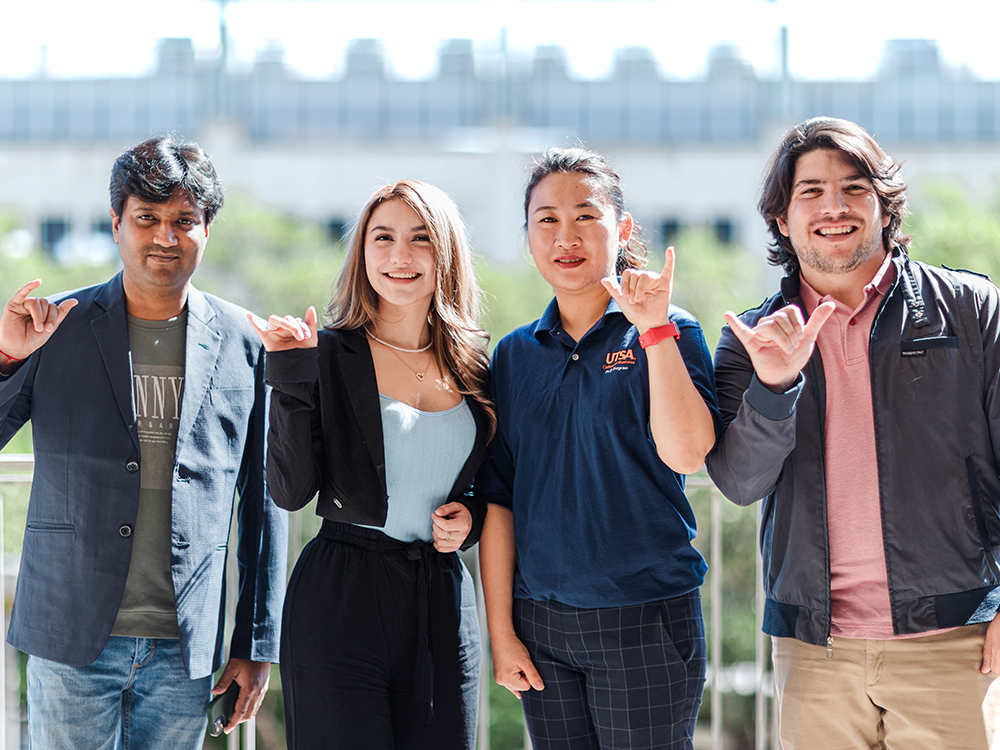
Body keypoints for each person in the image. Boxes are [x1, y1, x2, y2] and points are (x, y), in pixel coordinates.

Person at [706, 116, 1000, 749]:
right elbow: (737, 481)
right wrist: (775, 386)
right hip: (815, 651)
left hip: (953, 641)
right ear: (782, 219)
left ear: (884, 206)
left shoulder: (972, 309)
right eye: (809, 190)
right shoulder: (752, 338)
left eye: (854, 187)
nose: (833, 206)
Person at [0, 135, 287, 747]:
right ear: (116, 223)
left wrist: (256, 644)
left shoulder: (246, 342)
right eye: (147, 218)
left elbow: (265, 502)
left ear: (207, 228)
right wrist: (5, 358)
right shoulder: (56, 326)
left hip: (186, 647)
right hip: (71, 632)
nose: (165, 236)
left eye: (185, 220)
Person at [476, 145, 720, 750]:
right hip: (541, 626)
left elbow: (688, 454)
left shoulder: (671, 330)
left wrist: (653, 330)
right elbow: (499, 500)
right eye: (547, 220)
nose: (566, 236)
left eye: (586, 216)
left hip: (645, 616)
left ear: (622, 228)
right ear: (529, 235)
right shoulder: (513, 355)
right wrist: (502, 633)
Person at [251, 179, 494, 750]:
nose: (399, 256)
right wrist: (289, 377)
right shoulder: (328, 353)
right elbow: (289, 491)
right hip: (342, 595)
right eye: (382, 238)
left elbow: (492, 483)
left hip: (441, 600)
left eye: (420, 239)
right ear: (362, 253)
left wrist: (472, 519)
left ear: (447, 254)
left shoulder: (476, 366)